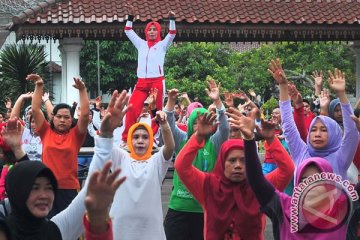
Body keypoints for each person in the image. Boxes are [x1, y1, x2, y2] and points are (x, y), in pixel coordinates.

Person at [174, 109, 294, 239]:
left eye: (243, 160)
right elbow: (181, 166)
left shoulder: (260, 188)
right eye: (232, 160)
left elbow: (287, 169)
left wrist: (271, 139)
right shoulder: (208, 186)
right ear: (222, 162)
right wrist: (198, 136)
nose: (238, 165)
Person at [89, 89, 175, 239]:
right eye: (135, 137)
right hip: (122, 228)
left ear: (151, 141)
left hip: (150, 229)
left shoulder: (156, 162)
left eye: (144, 137)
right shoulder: (121, 158)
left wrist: (164, 124)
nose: (140, 140)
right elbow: (104, 140)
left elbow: (170, 148)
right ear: (129, 140)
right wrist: (109, 123)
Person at [269, 59, 358, 181]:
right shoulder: (301, 153)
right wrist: (283, 87)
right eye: (313, 130)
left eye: (324, 130)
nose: (317, 134)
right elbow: (288, 127)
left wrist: (342, 94)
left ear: (333, 134)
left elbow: (352, 133)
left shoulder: (341, 157)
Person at [163, 80, 230, 240]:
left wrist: (218, 102)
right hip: (178, 208)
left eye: (204, 119)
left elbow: (225, 128)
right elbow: (169, 125)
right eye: (197, 120)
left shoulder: (214, 142)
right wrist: (171, 102)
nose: (200, 123)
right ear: (191, 122)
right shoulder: (181, 140)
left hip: (204, 210)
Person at [4, 159, 124, 240]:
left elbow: (88, 193)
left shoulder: (56, 230)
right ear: (17, 191)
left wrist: (98, 216)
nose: (44, 195)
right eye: (35, 188)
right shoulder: (3, 231)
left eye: (49, 188)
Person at [27, 74, 90, 217]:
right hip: (47, 188)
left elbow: (85, 115)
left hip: (69, 190)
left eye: (66, 117)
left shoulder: (76, 135)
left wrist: (82, 90)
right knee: (47, 228)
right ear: (53, 118)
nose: (62, 120)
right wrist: (39, 84)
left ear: (71, 120)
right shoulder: (45, 131)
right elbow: (36, 110)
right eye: (59, 117)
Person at [121, 8, 176, 143]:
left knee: (155, 111)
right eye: (150, 30)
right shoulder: (141, 44)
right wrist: (130, 17)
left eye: (154, 30)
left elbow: (172, 33)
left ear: (158, 32)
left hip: (156, 82)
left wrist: (172, 20)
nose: (152, 32)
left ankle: (153, 138)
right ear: (146, 32)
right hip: (141, 83)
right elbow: (128, 31)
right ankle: (126, 138)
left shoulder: (162, 45)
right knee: (132, 108)